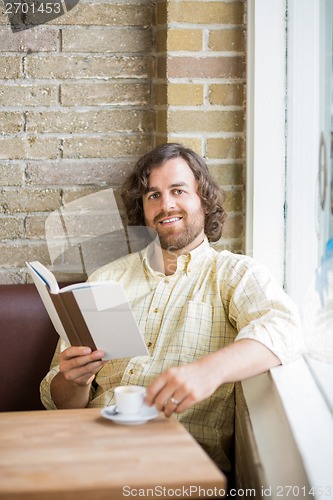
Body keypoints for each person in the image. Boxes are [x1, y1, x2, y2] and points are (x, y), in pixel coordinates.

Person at [40, 143, 304, 474]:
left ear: (204, 200)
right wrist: (75, 381)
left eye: (178, 191)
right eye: (153, 195)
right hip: (89, 450)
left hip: (178, 464)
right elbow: (59, 402)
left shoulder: (233, 274)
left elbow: (285, 327)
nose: (166, 205)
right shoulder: (106, 279)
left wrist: (208, 372)